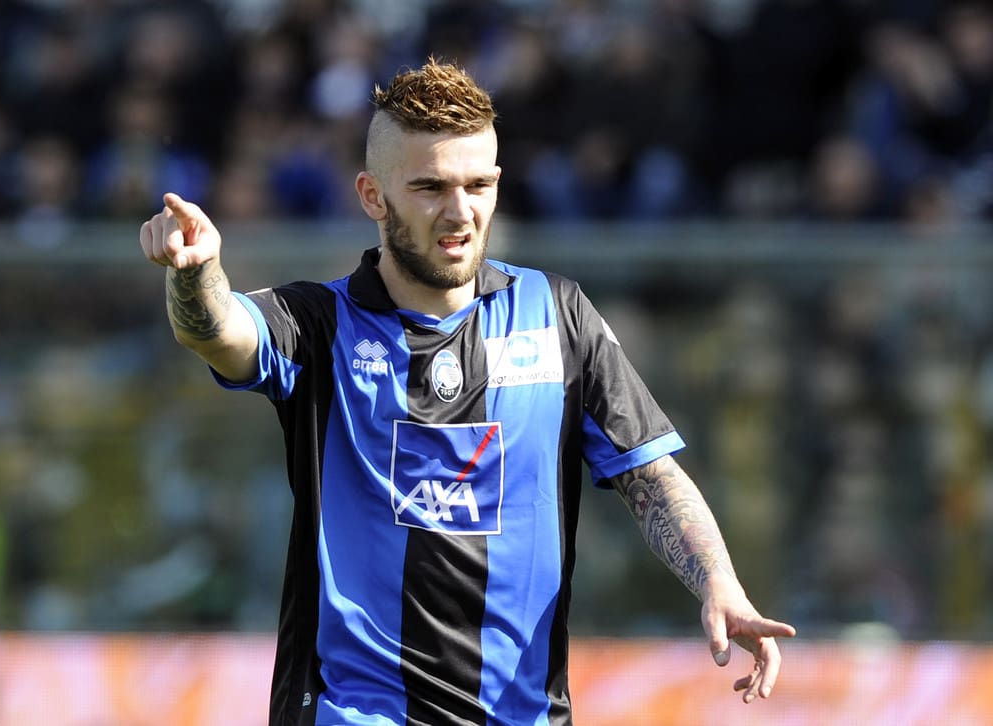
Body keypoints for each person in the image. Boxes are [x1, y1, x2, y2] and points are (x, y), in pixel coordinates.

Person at [139, 58, 796, 726]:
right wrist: (194, 273)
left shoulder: (557, 314)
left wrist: (718, 580)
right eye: (430, 187)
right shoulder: (318, 324)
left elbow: (649, 475)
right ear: (372, 196)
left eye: (478, 185)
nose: (459, 213)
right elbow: (218, 330)